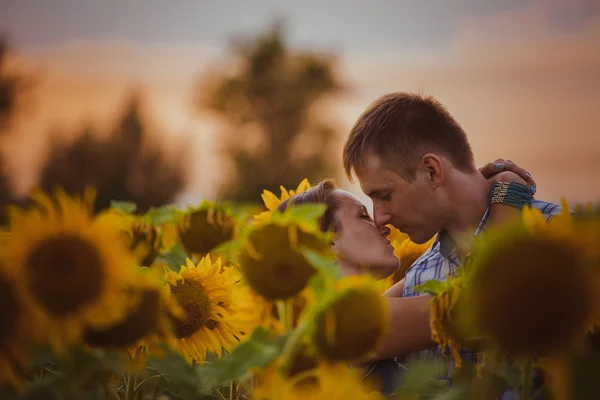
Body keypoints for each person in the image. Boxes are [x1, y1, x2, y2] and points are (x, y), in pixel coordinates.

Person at [342, 92, 562, 399]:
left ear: (432, 171)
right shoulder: (418, 280)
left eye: (385, 195)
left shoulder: (565, 240)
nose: (381, 218)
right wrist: (508, 195)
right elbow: (488, 301)